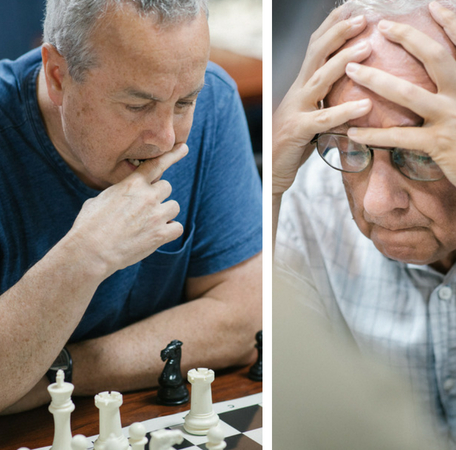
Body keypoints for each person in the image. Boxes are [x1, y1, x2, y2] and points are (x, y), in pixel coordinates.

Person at [272, 1, 456, 449]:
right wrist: (270, 191)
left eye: (419, 151)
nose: (376, 204)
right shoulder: (303, 194)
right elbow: (287, 426)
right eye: (352, 148)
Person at [0, 0, 262, 413]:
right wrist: (85, 256)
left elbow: (245, 319)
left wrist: (60, 374)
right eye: (137, 106)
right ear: (58, 78)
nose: (164, 138)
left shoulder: (215, 97)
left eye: (183, 104)